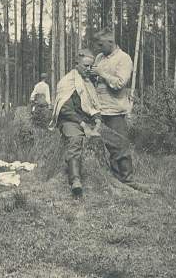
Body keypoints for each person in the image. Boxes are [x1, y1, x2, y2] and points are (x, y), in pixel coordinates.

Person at [91, 27, 150, 192]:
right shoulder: (100, 57)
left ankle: (127, 181)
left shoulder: (124, 59)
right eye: (97, 45)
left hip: (115, 111)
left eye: (101, 44)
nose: (98, 48)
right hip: (98, 110)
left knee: (120, 147)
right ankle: (113, 179)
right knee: (106, 146)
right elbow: (96, 79)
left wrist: (101, 73)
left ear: (111, 42)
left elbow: (119, 84)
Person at [49, 49, 102, 196]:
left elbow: (93, 105)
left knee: (108, 137)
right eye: (85, 66)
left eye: (91, 67)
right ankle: (75, 180)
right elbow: (65, 110)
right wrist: (84, 126)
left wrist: (97, 120)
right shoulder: (67, 82)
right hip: (69, 120)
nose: (89, 69)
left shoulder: (88, 83)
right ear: (77, 64)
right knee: (76, 139)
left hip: (85, 120)